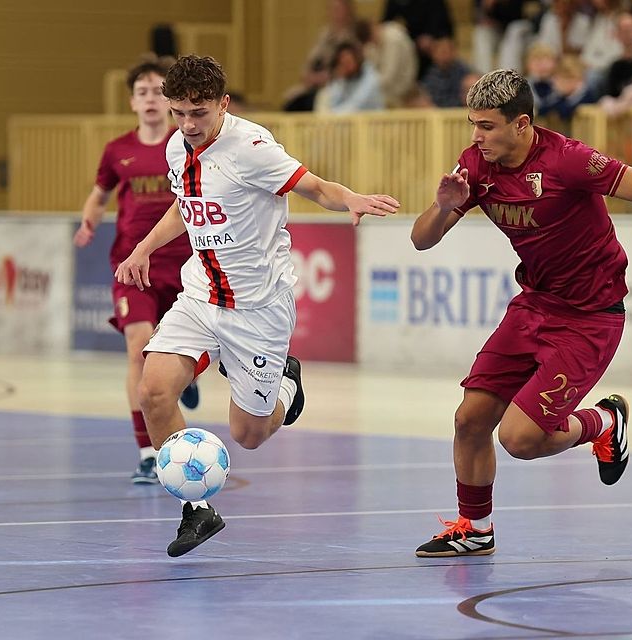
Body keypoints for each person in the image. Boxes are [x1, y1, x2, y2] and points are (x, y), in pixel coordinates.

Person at [410, 69, 632, 557]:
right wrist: (442, 207)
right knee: (470, 420)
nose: (476, 136)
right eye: (473, 124)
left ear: (521, 125)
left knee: (520, 438)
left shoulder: (569, 161)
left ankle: (602, 423)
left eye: (488, 126)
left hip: (589, 317)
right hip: (533, 305)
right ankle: (476, 529)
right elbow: (421, 240)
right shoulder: (476, 166)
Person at [114, 55, 399, 557]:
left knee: (249, 434)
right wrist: (144, 248)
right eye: (179, 112)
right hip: (201, 295)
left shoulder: (252, 146)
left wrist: (349, 197)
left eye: (198, 113)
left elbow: (313, 187)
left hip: (257, 311)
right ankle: (196, 510)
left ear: (223, 104)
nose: (187, 125)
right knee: (153, 392)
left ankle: (287, 381)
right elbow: (187, 206)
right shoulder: (178, 147)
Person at [74, 56, 201, 484]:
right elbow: (98, 195)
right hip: (132, 267)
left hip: (185, 264)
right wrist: (89, 220)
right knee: (139, 348)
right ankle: (148, 451)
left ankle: (186, 378)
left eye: (156, 91)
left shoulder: (186, 142)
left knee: (179, 354)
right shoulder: (117, 151)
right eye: (142, 92)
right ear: (132, 101)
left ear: (168, 99)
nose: (150, 99)